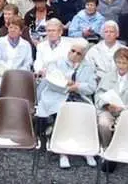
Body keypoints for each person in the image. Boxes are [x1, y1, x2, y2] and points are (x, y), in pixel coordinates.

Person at [37, 38, 97, 169]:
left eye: (79, 53)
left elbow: (92, 87)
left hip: (79, 96)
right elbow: (51, 82)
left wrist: (78, 86)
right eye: (73, 51)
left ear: (84, 55)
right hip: (57, 96)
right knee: (64, 113)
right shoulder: (56, 62)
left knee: (85, 114)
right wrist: (66, 85)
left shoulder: (89, 66)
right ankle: (62, 152)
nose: (74, 54)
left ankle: (86, 149)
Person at [95, 48, 128, 148]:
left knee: (123, 124)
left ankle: (120, 149)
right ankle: (106, 148)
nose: (121, 66)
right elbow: (99, 94)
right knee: (104, 123)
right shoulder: (107, 76)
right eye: (118, 62)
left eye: (124, 63)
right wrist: (106, 105)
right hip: (108, 110)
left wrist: (124, 108)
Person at [0, 16, 34, 96]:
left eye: (16, 28)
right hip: (1, 74)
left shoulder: (26, 45)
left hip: (19, 76)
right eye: (11, 27)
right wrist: (8, 70)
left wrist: (16, 72)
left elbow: (28, 63)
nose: (12, 30)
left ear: (21, 31)